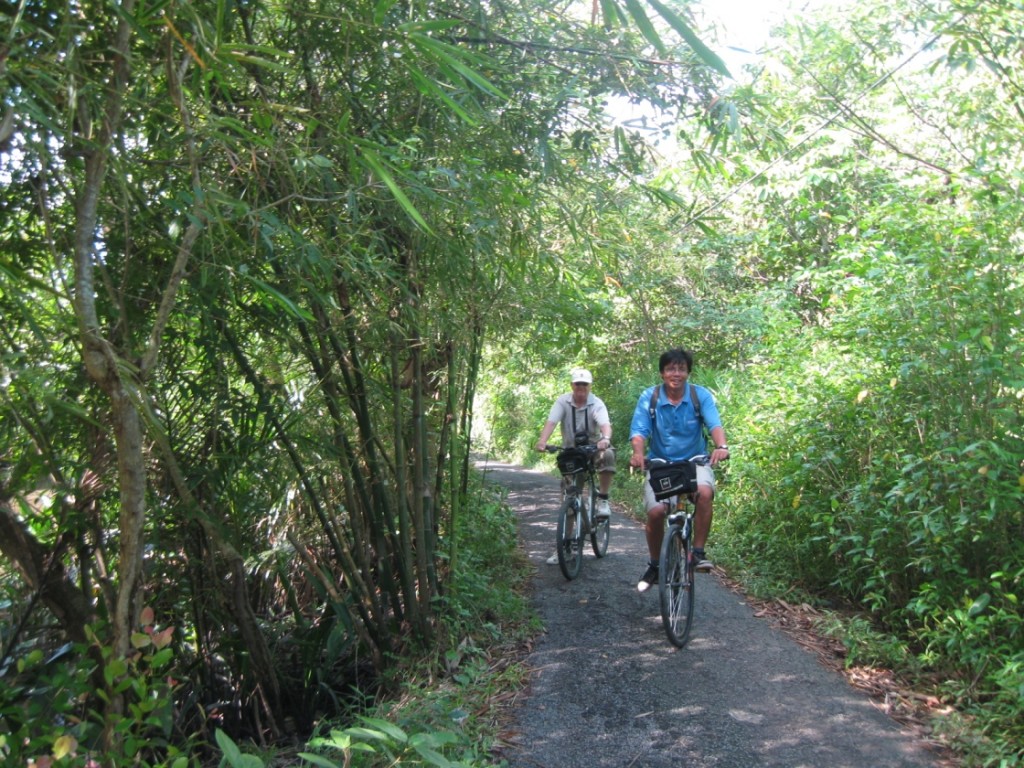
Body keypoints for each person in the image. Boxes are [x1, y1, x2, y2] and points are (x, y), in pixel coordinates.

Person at [628, 348, 729, 592]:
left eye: (681, 369)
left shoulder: (699, 395)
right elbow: (640, 432)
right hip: (661, 464)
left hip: (695, 462)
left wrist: (721, 446)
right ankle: (655, 564)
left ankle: (697, 552)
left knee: (704, 494)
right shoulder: (649, 397)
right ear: (662, 373)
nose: (676, 373)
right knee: (655, 512)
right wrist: (638, 452)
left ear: (688, 372)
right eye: (671, 368)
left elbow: (714, 423)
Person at [536, 368, 616, 564]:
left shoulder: (596, 403)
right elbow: (551, 421)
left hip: (592, 449)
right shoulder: (563, 401)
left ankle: (603, 499)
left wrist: (605, 438)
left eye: (585, 385)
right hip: (571, 452)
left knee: (608, 455)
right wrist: (542, 441)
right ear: (572, 386)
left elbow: (605, 424)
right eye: (577, 384)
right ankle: (565, 547)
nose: (581, 388)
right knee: (569, 498)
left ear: (589, 387)